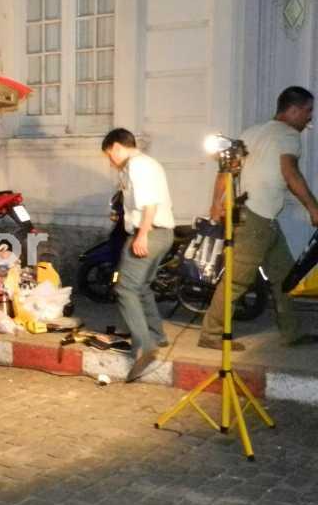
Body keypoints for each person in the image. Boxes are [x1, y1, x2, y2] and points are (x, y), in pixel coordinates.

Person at [199, 86, 318, 351]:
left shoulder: (251, 132)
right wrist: (313, 208)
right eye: (308, 111)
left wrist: (216, 203)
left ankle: (291, 332)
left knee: (286, 276)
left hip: (260, 218)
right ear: (293, 110)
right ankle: (211, 334)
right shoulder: (288, 135)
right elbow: (290, 173)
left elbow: (226, 170)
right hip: (256, 219)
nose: (309, 118)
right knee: (237, 280)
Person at [101, 128, 175, 381]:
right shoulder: (146, 164)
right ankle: (157, 335)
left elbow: (149, 202)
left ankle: (144, 347)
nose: (110, 160)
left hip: (149, 232)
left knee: (125, 288)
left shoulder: (137, 165)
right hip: (163, 234)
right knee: (141, 287)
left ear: (116, 147)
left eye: (109, 155)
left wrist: (142, 233)